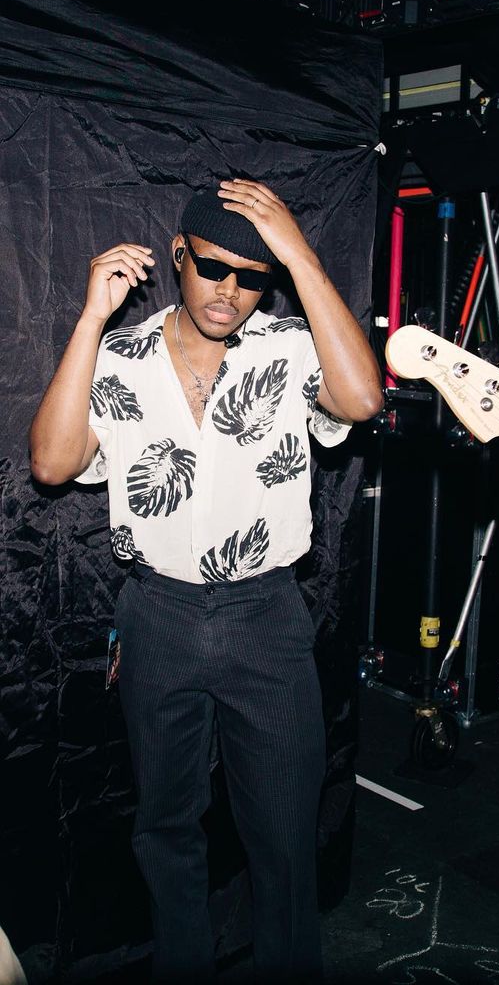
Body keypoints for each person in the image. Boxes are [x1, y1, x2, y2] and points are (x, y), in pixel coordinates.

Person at [28, 180, 384, 982]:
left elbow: (362, 400)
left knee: (284, 838)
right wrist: (89, 320)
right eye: (214, 267)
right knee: (165, 831)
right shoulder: (119, 357)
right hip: (158, 615)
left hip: (267, 617)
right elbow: (51, 463)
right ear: (179, 256)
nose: (230, 291)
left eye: (254, 276)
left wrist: (299, 254)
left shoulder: (291, 348)